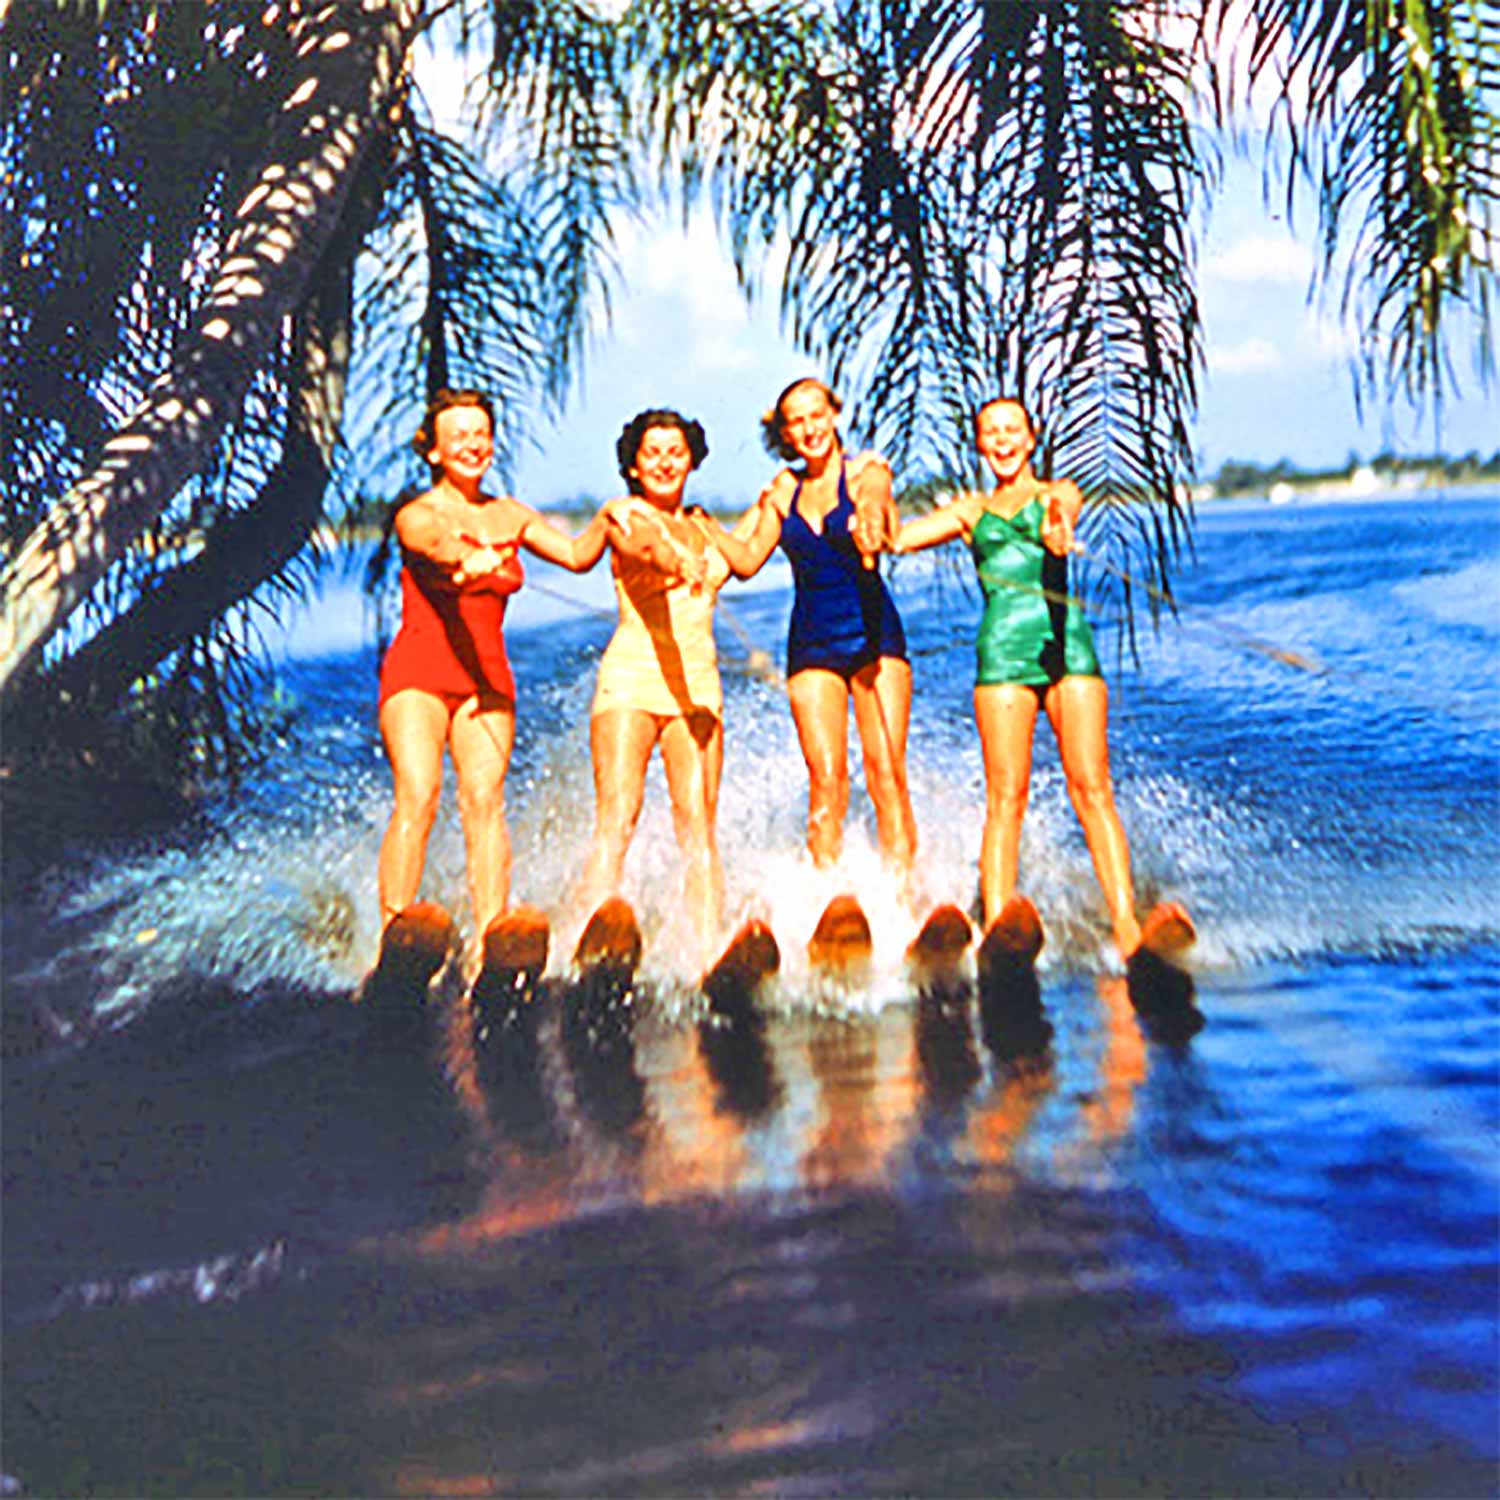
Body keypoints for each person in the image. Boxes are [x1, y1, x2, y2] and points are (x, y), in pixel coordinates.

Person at [890, 396, 1172, 960]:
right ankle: (997, 925)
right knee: (1005, 796)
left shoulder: (1055, 494)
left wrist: (1058, 528)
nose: (1002, 440)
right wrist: (871, 493)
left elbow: (1065, 509)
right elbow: (895, 540)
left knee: (1092, 788)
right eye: (990, 431)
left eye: (1011, 430)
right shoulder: (971, 511)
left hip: (1067, 650)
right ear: (979, 443)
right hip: (1002, 656)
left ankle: (1124, 924)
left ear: (1031, 437)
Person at [377, 387, 610, 947]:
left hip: (485, 680)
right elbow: (430, 543)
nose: (473, 445)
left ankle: (490, 943)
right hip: (418, 675)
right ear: (434, 450)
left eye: (481, 434)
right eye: (459, 435)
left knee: (484, 802)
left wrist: (610, 519)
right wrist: (468, 556)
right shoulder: (417, 514)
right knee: (419, 794)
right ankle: (394, 935)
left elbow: (577, 557)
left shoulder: (510, 514)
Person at [708, 377, 916, 878]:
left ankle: (904, 897)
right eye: (797, 422)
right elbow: (747, 561)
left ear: (834, 415)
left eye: (816, 415)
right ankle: (825, 893)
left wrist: (869, 516)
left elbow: (877, 499)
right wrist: (707, 529)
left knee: (885, 773)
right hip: (812, 644)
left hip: (875, 639)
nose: (809, 429)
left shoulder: (866, 470)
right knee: (826, 779)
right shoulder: (784, 488)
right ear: (785, 433)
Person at [574, 408, 732, 968]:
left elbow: (753, 550)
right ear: (634, 466)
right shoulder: (626, 515)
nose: (665, 462)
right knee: (619, 815)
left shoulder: (705, 524)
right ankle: (584, 943)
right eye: (653, 453)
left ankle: (707, 953)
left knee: (699, 826)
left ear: (691, 461)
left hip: (698, 687)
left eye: (676, 452)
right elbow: (645, 547)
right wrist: (674, 560)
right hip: (632, 681)